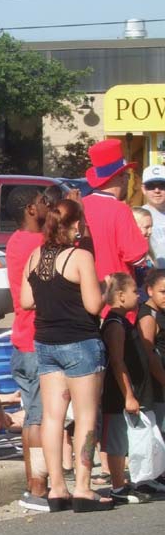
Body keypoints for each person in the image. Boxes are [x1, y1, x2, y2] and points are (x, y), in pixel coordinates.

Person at [20, 199, 112, 512]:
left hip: (46, 343)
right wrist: (107, 291)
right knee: (86, 417)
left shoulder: (35, 256)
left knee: (52, 417)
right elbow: (93, 306)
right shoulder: (80, 256)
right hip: (80, 343)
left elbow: (26, 299)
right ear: (74, 225)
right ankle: (84, 488)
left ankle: (57, 488)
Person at [5, 185, 50, 510]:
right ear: (31, 210)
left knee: (33, 415)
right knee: (36, 417)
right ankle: (37, 488)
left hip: (22, 339)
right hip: (36, 340)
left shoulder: (16, 241)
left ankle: (35, 482)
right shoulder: (37, 244)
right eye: (41, 202)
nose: (46, 205)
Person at [99, 272, 161, 502]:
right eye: (135, 291)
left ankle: (133, 481)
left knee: (127, 439)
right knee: (117, 440)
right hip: (118, 396)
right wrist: (128, 395)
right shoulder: (115, 325)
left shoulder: (125, 322)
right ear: (120, 296)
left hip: (131, 391)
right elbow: (117, 361)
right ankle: (117, 487)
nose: (139, 295)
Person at [81, 138, 149, 283]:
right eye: (127, 175)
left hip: (86, 294)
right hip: (117, 295)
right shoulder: (120, 210)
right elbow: (136, 257)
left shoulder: (80, 205)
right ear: (121, 177)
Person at [137, 268, 165, 435]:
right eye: (162, 292)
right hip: (158, 390)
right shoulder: (148, 316)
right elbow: (149, 354)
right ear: (149, 290)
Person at [141, 164, 165, 267]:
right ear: (143, 189)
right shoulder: (138, 216)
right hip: (154, 278)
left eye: (162, 185)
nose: (157, 190)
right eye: (151, 186)